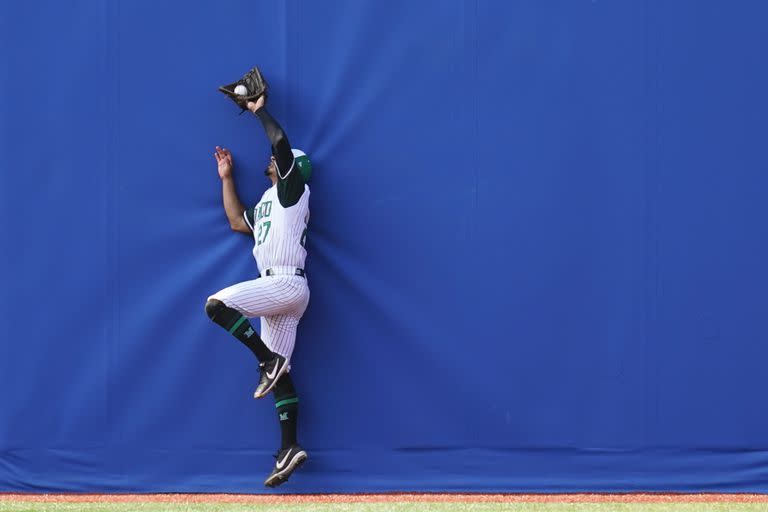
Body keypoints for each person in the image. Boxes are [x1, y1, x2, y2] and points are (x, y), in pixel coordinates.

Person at [204, 94, 312, 487]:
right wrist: (227, 179)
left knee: (216, 305)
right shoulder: (270, 201)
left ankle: (266, 360)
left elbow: (280, 144)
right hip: (279, 290)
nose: (271, 161)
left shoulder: (292, 190)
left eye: (280, 163)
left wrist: (257, 110)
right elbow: (236, 221)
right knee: (283, 376)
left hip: (283, 280)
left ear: (292, 170)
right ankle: (289, 448)